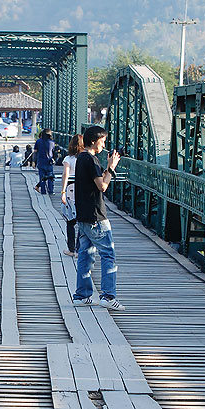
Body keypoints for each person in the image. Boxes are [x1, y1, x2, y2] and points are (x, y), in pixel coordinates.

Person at [72, 125, 125, 310]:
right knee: (108, 254)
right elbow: (102, 186)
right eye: (103, 141)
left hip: (83, 214)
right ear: (94, 141)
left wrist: (107, 169)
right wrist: (111, 168)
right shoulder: (91, 160)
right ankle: (108, 296)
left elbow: (95, 181)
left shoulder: (82, 158)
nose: (104, 144)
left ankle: (82, 295)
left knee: (85, 255)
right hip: (96, 215)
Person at [61, 133, 83, 257]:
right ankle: (79, 250)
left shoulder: (68, 159)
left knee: (70, 222)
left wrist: (63, 192)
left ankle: (71, 249)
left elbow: (65, 175)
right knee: (81, 222)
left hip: (70, 190)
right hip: (83, 190)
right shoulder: (86, 157)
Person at [34, 128, 55, 195]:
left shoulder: (38, 141)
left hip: (41, 161)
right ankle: (51, 190)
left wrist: (34, 161)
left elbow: (35, 151)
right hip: (49, 162)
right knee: (50, 176)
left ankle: (43, 191)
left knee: (42, 177)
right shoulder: (52, 142)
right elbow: (54, 152)